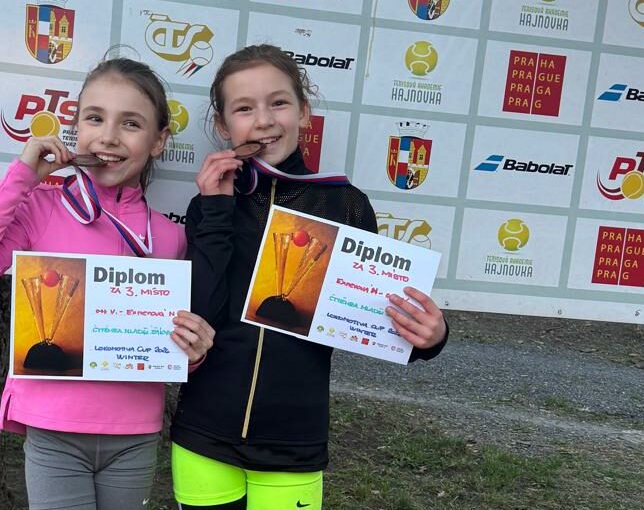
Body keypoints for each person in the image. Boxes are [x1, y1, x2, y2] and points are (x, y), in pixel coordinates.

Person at [170, 44, 449, 510]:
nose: (264, 121)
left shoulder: (345, 205)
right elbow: (200, 314)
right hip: (203, 432)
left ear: (304, 112)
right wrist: (217, 209)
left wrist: (429, 339)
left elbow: (371, 316)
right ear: (223, 125)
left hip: (293, 441)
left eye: (279, 103)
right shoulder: (210, 206)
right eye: (244, 108)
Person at [0, 57, 215, 510]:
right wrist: (22, 178)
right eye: (95, 118)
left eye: (130, 123)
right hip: (54, 432)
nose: (108, 137)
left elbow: (167, 347)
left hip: (135, 434)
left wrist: (193, 353)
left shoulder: (169, 236)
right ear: (76, 127)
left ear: (159, 141)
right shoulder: (40, 207)